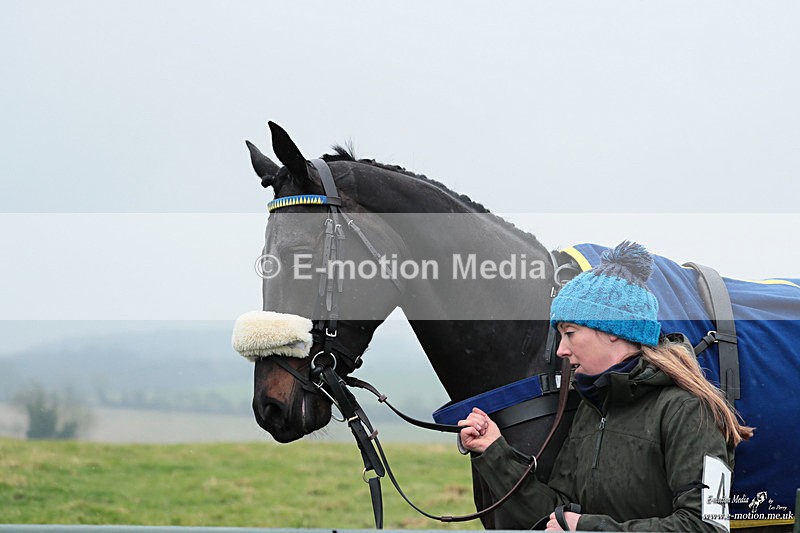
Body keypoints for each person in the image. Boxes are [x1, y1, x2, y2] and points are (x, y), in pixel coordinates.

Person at [459, 241, 753, 532]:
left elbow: (705, 525)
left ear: (613, 331)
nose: (562, 350)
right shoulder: (592, 409)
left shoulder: (689, 410)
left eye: (570, 333)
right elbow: (557, 515)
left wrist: (588, 528)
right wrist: (494, 452)